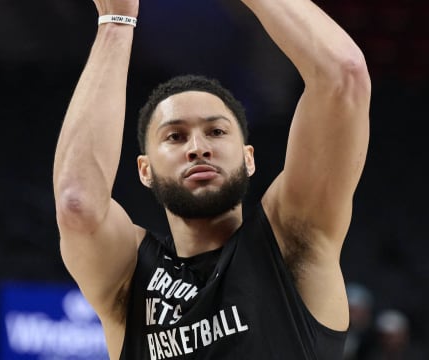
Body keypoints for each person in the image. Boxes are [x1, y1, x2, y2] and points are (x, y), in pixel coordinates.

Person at [52, 0, 371, 359]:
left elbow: (343, 75)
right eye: (175, 136)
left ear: (249, 159)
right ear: (145, 170)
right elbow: (77, 202)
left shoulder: (291, 243)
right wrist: (116, 22)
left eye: (216, 132)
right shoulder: (130, 275)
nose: (198, 147)